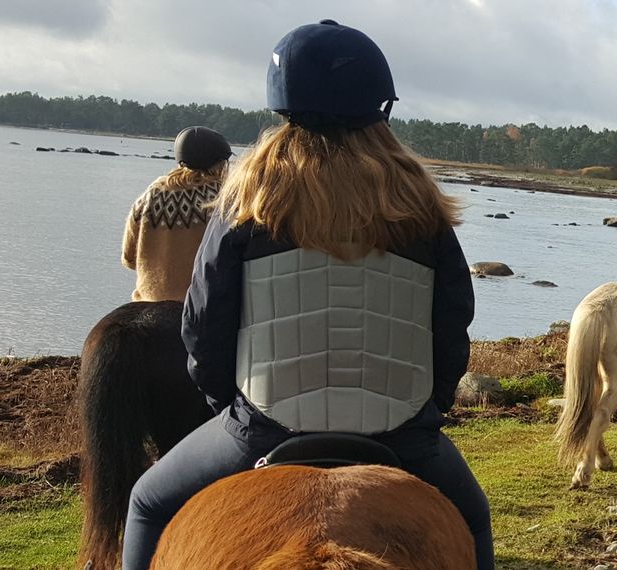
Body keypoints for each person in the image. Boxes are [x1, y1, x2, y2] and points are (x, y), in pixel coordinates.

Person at [122, 20, 494, 570]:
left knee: (146, 503)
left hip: (267, 425)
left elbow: (204, 325)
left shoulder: (246, 201)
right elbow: (452, 321)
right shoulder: (422, 205)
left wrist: (233, 409)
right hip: (404, 433)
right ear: (380, 105)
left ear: (283, 106)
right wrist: (424, 412)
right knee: (472, 517)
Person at [120, 126, 231, 301]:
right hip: (199, 307)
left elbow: (129, 259)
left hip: (148, 301)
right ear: (220, 163)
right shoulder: (224, 198)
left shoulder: (150, 195)